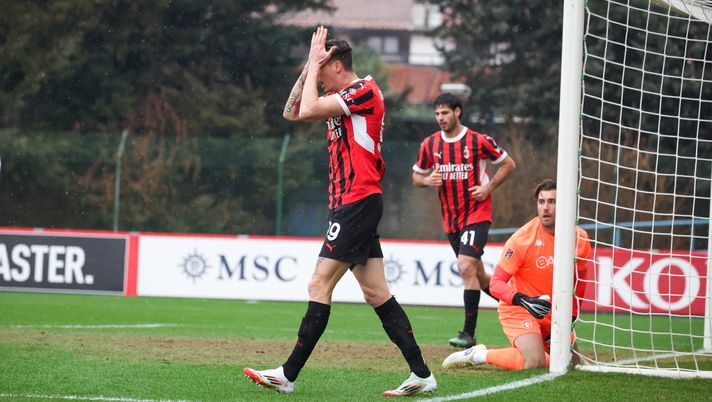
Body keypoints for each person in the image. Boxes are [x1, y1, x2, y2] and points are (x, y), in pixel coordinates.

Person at [243, 26, 436, 397]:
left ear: (337, 65)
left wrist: (313, 66)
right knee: (376, 292)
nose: (317, 70)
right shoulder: (337, 95)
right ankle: (422, 374)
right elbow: (292, 112)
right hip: (351, 203)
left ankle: (287, 374)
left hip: (357, 201)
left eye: (321, 64)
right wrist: (308, 68)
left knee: (319, 283)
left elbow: (309, 107)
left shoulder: (363, 91)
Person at [441, 179, 592, 370]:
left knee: (571, 365)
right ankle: (479, 355)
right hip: (519, 308)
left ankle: (540, 350)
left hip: (554, 313)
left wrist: (571, 316)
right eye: (541, 201)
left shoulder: (580, 239)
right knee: (534, 362)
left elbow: (581, 279)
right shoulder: (522, 239)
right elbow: (496, 284)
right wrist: (523, 300)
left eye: (552, 202)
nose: (545, 207)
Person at [412, 93, 516, 348]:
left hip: (477, 214)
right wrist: (427, 181)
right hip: (451, 221)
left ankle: (468, 334)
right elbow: (416, 177)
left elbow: (508, 164)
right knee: (478, 276)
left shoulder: (478, 141)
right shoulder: (430, 144)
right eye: (437, 114)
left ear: (458, 112)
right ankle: (522, 303)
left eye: (445, 113)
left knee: (466, 266)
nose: (440, 118)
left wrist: (488, 188)